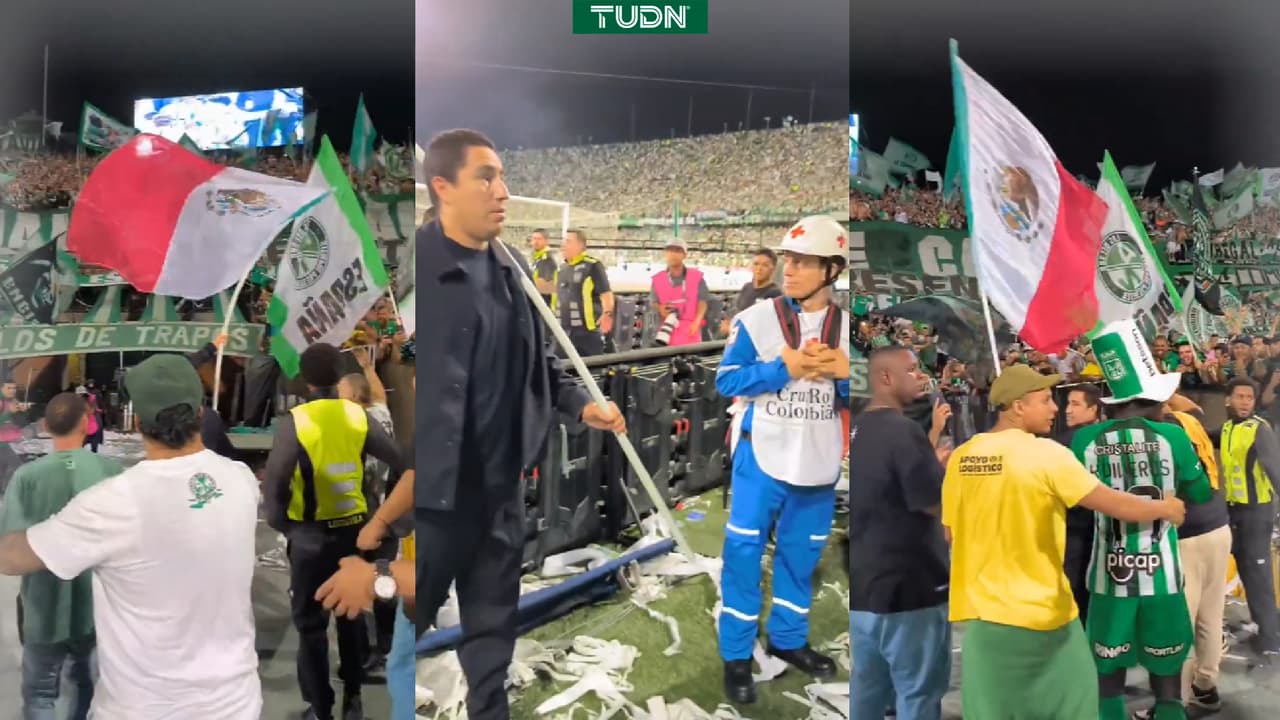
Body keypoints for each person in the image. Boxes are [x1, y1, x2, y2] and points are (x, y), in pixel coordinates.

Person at [415, 128, 625, 720]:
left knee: (492, 633)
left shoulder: (513, 274)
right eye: (486, 177)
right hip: (431, 498)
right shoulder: (413, 275)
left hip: (499, 490)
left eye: (502, 176)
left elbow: (546, 366)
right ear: (442, 187)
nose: (502, 190)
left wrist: (586, 404)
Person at [0, 354, 263, 719]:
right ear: (202, 413)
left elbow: (12, 559)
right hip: (235, 704)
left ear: (137, 420)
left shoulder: (114, 501)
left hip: (142, 708)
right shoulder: (241, 481)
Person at [942, 364, 1187, 719]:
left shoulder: (962, 457)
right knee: (1076, 703)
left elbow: (949, 531)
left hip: (983, 619)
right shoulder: (1046, 454)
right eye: (1045, 400)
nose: (1055, 409)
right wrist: (1166, 507)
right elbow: (1114, 503)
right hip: (1044, 616)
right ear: (1018, 406)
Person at [715, 215, 849, 705]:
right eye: (787, 260)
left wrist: (844, 373)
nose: (788, 269)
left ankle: (788, 641)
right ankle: (735, 655)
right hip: (761, 456)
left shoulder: (851, 331)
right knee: (743, 557)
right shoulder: (758, 319)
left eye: (802, 261)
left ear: (831, 269)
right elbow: (726, 381)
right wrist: (781, 368)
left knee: (801, 557)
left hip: (817, 461)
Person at [1069, 320, 1215, 720]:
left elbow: (1076, 501)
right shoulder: (1174, 437)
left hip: (1106, 575)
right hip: (1162, 576)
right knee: (1166, 677)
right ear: (1150, 398)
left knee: (1107, 674)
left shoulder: (1084, 440)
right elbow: (1201, 494)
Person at [263, 342, 409, 720]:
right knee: (351, 615)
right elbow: (400, 460)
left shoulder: (296, 421)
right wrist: (385, 519)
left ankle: (321, 708)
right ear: (338, 376)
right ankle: (354, 697)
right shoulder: (359, 417)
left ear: (307, 381)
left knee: (311, 627)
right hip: (355, 534)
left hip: (310, 538)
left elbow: (276, 482)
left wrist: (284, 525)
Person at [0, 392, 123, 720]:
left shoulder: (27, 478)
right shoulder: (112, 472)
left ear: (46, 426)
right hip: (95, 606)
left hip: (43, 606)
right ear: (87, 422)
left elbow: (9, 549)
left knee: (40, 693)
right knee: (85, 683)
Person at [847, 346, 950, 720]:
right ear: (886, 378)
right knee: (918, 694)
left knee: (868, 689)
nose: (921, 375)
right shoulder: (903, 431)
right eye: (911, 369)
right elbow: (933, 504)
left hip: (863, 588)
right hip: (911, 590)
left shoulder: (856, 428)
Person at [1162, 396, 1229, 712]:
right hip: (1218, 526)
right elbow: (1189, 405)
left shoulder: (1161, 431)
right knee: (1210, 617)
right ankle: (1206, 687)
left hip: (1188, 535)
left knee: (1179, 622)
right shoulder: (1191, 420)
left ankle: (1174, 704)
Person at [1208, 376, 1280, 656]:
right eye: (1240, 396)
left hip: (1257, 513)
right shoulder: (1226, 428)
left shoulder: (1259, 429)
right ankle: (1263, 624)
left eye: (1249, 397)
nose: (1245, 402)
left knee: (1258, 575)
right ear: (1228, 399)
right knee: (1245, 570)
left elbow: (1275, 471)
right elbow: (1199, 433)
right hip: (1234, 511)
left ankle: (1271, 638)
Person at [338, 347, 399, 670]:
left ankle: (369, 651)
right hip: (388, 516)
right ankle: (388, 645)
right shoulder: (381, 415)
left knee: (362, 582)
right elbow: (378, 395)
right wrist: (366, 365)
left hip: (365, 516)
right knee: (384, 580)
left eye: (341, 395)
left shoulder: (354, 426)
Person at [1058, 383, 1103, 625]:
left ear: (1093, 409)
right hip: (1102, 530)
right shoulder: (1110, 436)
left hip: (1076, 529)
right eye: (1068, 403)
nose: (1067, 410)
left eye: (1075, 404)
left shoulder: (1065, 442)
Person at [551, 229, 615, 357]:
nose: (563, 245)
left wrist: (607, 314)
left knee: (591, 371)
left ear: (580, 245)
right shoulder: (560, 269)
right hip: (562, 331)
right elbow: (556, 297)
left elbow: (606, 293)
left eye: (568, 241)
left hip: (587, 333)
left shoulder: (593, 266)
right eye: (563, 241)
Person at [650, 238, 709, 346]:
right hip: (666, 332)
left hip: (690, 331)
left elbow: (703, 302)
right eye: (670, 250)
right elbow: (654, 301)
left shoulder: (697, 277)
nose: (673, 254)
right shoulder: (658, 279)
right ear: (665, 253)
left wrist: (697, 322)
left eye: (677, 251)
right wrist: (660, 308)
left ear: (685, 255)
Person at [720, 248, 782, 336]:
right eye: (756, 264)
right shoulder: (747, 287)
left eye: (765, 265)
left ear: (773, 269)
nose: (759, 268)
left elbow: (762, 328)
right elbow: (737, 313)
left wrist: (731, 329)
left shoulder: (774, 294)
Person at [528, 228, 557, 305]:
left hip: (542, 305)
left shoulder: (547, 259)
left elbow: (547, 286)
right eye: (534, 239)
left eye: (539, 239)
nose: (535, 242)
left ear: (546, 241)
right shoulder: (536, 258)